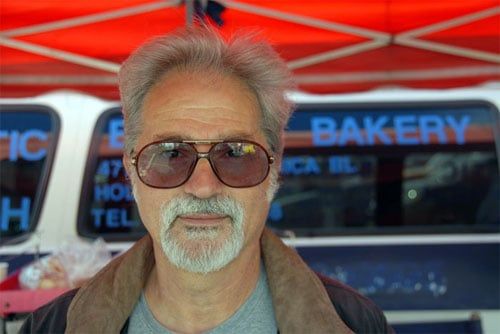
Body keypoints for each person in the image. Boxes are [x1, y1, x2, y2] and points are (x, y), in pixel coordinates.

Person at [20, 26, 393, 333]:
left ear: (274, 170)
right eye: (170, 153)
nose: (202, 187)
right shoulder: (50, 327)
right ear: (132, 169)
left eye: (235, 154)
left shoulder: (358, 325)